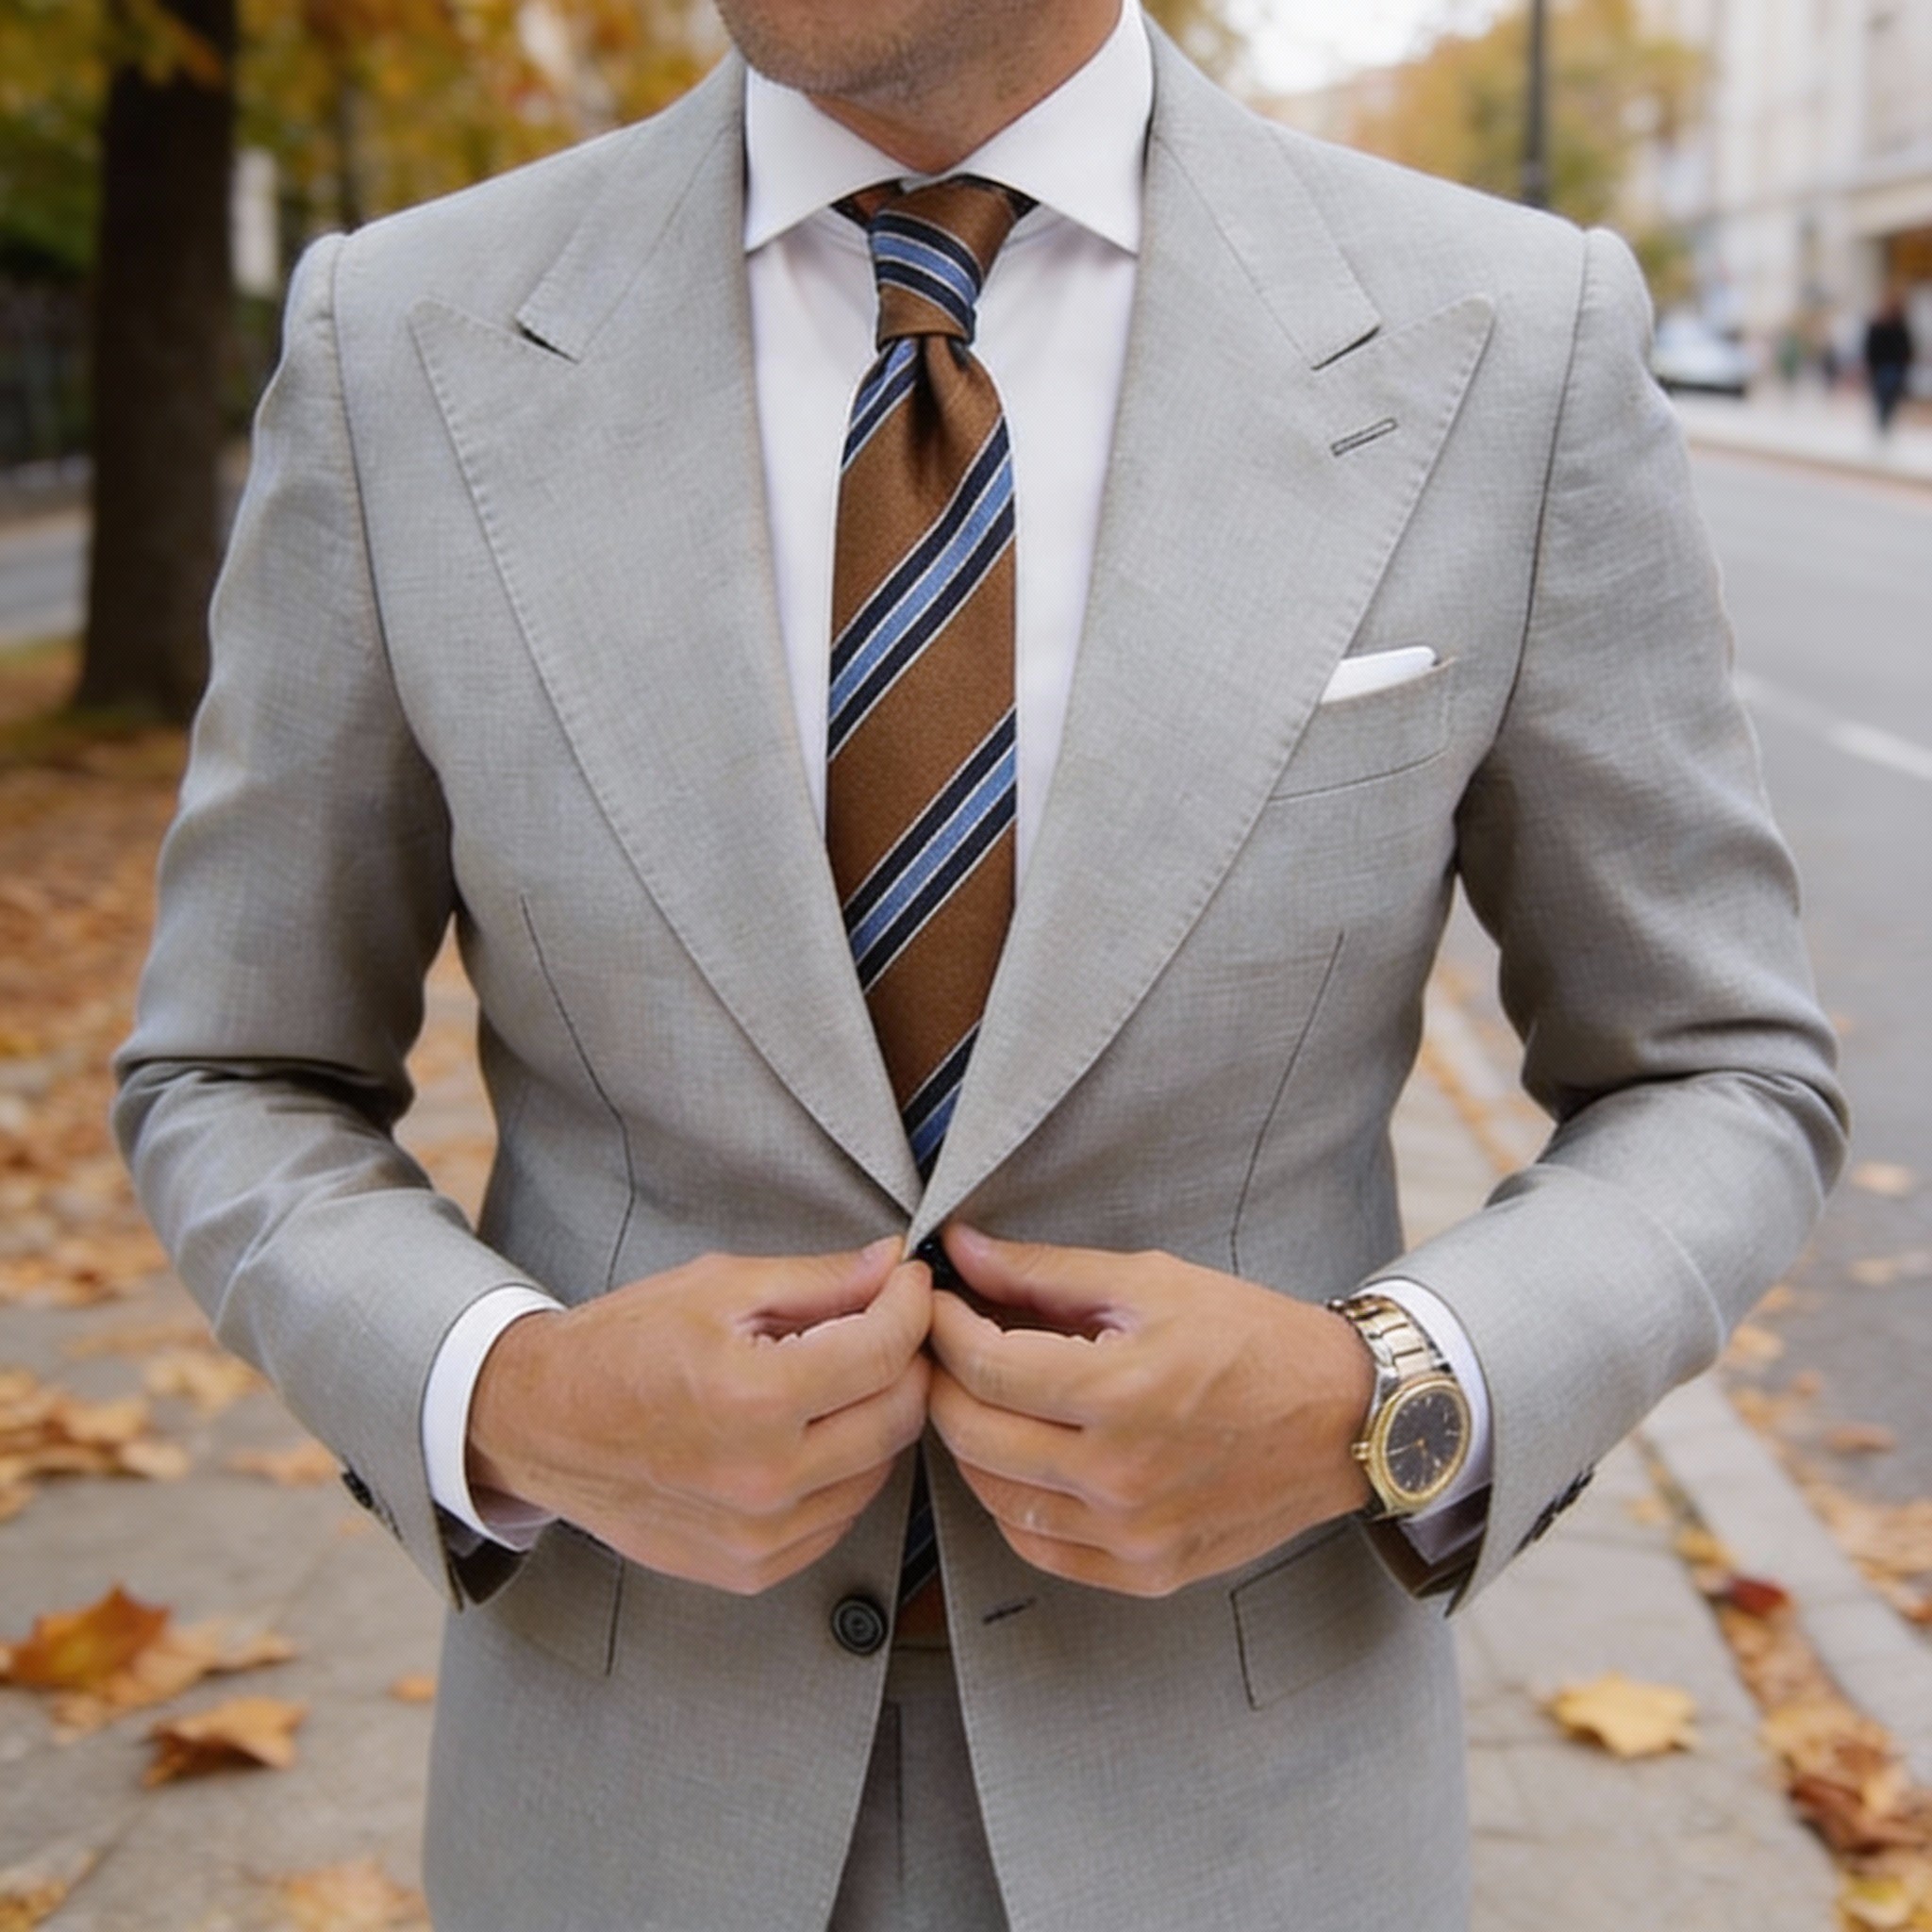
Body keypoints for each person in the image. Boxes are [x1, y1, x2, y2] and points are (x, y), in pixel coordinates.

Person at [114, 2, 1845, 1926]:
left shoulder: (1507, 340)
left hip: (1251, 1816)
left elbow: (1717, 1069)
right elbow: (234, 1066)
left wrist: (1388, 1398)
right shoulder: (403, 342)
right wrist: (501, 1395)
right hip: (624, 1810)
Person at [1866, 291, 1916, 435]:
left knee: (1888, 396)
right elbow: (1871, 347)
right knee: (1884, 396)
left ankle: (1884, 422)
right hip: (1884, 367)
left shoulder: (1900, 326)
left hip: (1892, 367)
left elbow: (1906, 348)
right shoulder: (1880, 326)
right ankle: (1883, 422)